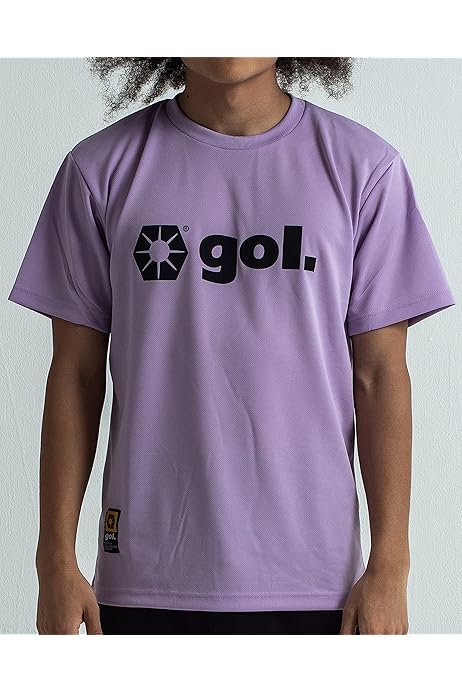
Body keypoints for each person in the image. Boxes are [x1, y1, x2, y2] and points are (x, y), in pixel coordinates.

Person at [8, 58, 455, 635]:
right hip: (145, 578)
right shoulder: (99, 170)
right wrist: (53, 562)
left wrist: (391, 567)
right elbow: (74, 375)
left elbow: (381, 375)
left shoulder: (365, 170)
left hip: (320, 587)